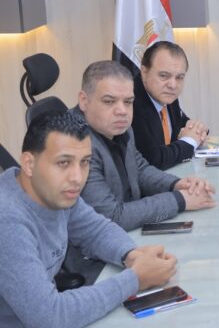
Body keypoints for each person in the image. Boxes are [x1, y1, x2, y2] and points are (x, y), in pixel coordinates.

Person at [0, 111, 177, 328]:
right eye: (63, 163)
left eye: (84, 162)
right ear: (29, 164)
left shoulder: (54, 192)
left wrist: (131, 255)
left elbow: (96, 230)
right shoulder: (7, 220)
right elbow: (49, 316)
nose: (77, 177)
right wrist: (136, 279)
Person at [67, 61, 216, 281]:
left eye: (128, 102)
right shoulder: (75, 144)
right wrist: (180, 200)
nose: (121, 111)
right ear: (84, 100)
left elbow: (139, 168)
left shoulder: (119, 127)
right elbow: (112, 217)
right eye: (109, 101)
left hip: (128, 239)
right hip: (93, 265)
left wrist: (176, 184)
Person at [132, 41, 208, 170]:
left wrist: (198, 130)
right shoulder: (131, 103)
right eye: (164, 76)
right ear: (144, 72)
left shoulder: (165, 96)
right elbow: (153, 160)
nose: (173, 85)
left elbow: (183, 124)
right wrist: (190, 142)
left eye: (179, 77)